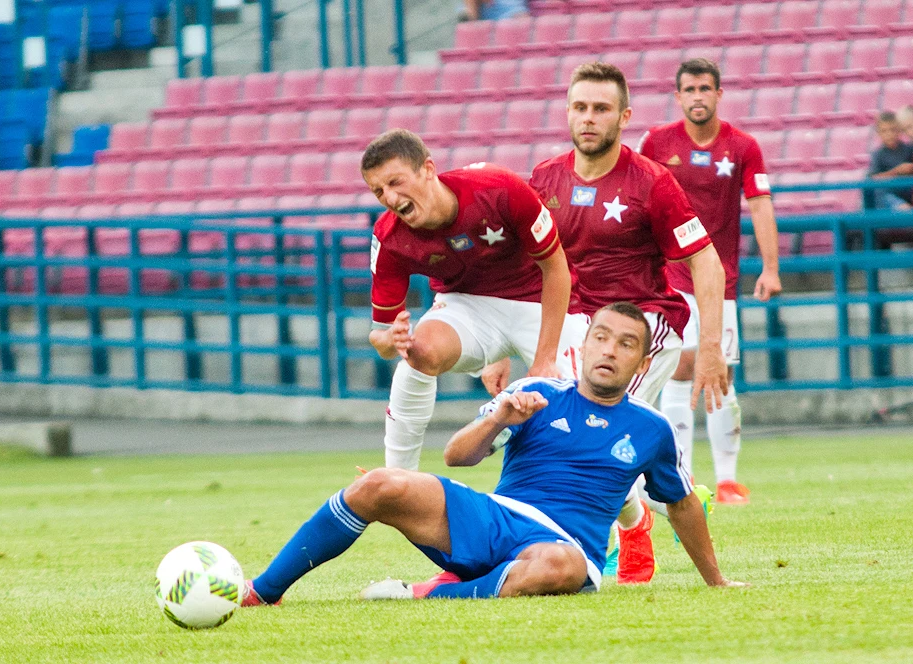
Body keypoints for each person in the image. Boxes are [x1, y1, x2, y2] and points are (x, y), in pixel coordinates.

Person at [240, 303, 745, 606]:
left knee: (561, 566)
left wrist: (716, 581)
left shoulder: (652, 428)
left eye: (627, 344)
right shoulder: (535, 393)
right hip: (493, 519)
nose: (611, 351)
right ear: (585, 345)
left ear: (642, 360)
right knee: (378, 484)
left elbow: (680, 503)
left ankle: (423, 593)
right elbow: (456, 458)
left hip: (565, 547)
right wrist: (499, 417)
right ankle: (263, 590)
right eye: (603, 338)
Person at [482, 61, 727, 584]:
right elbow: (514, 268)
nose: (589, 118)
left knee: (597, 430)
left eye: (601, 108)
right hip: (574, 325)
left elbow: (705, 259)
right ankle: (643, 513)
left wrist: (710, 348)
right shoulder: (544, 179)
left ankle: (658, 505)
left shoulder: (652, 183)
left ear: (624, 117)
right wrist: (497, 347)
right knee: (573, 434)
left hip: (645, 324)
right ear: (567, 111)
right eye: (580, 107)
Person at [362, 129, 588, 472]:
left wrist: (542, 361)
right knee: (417, 352)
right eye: (379, 191)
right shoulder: (389, 237)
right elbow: (380, 336)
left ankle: (636, 513)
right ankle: (398, 480)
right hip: (468, 304)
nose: (390, 198)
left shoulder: (499, 188)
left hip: (540, 302)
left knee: (586, 415)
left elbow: (555, 268)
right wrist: (391, 341)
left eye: (396, 182)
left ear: (428, 168)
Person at [641, 58, 782, 506]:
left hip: (720, 279)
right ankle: (679, 478)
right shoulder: (656, 143)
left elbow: (760, 205)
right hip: (670, 277)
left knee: (720, 374)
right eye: (690, 89)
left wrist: (772, 267)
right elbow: (637, 200)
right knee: (679, 369)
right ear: (677, 95)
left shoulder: (742, 146)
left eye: (706, 88)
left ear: (719, 94)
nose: (698, 96)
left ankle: (726, 480)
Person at [865, 111, 913, 212]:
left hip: (908, 194)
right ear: (879, 133)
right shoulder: (878, 154)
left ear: (899, 130)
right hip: (888, 198)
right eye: (884, 131)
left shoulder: (909, 149)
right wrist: (897, 171)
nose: (889, 134)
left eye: (892, 130)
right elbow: (873, 179)